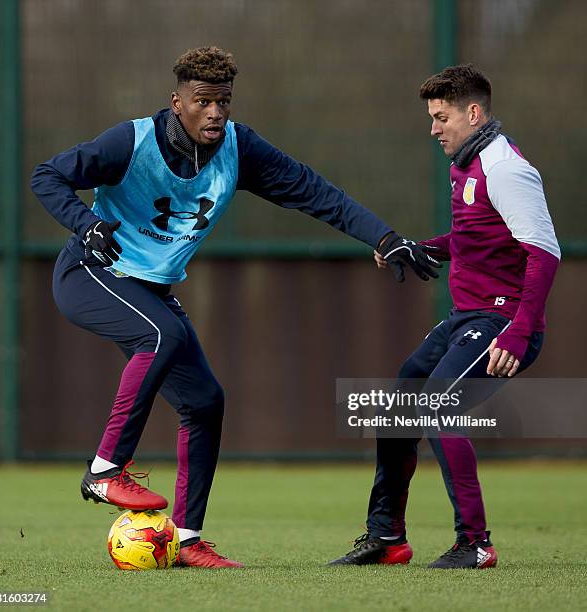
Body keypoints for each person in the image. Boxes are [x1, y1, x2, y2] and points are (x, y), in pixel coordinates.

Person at [31, 46, 440, 569]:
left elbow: (317, 193)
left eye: (224, 102)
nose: (216, 113)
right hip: (90, 274)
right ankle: (106, 470)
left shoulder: (238, 149)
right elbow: (47, 175)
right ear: (176, 102)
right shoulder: (128, 142)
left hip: (149, 289)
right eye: (203, 101)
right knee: (161, 334)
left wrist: (383, 237)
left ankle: (185, 540)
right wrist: (84, 224)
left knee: (204, 403)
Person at [329, 64, 560, 569]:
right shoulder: (466, 163)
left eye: (441, 117)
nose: (434, 128)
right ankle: (386, 537)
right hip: (467, 317)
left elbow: (544, 253)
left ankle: (474, 543)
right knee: (398, 405)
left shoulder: (505, 168)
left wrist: (520, 333)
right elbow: (476, 239)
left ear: (473, 113)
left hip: (502, 323)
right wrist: (420, 247)